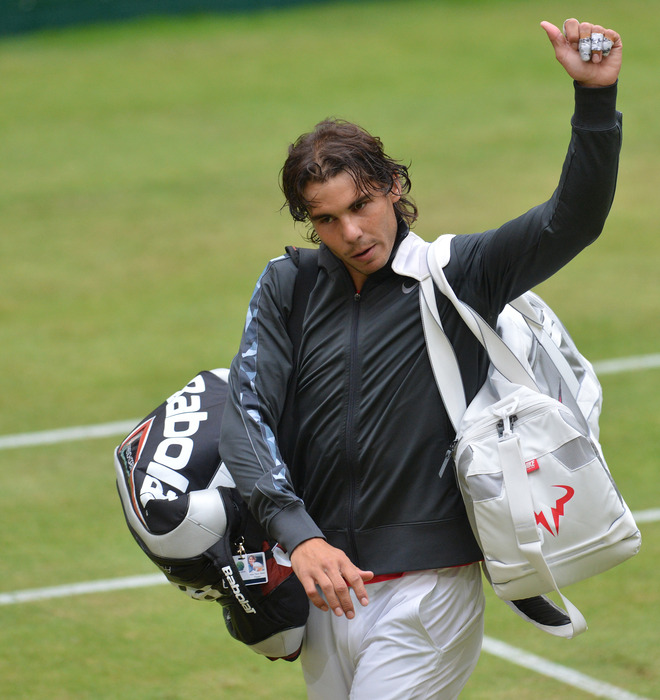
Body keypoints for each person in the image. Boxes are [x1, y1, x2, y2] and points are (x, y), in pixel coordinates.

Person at [219, 18, 623, 699]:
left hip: (427, 594)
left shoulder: (458, 274)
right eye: (325, 219)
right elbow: (245, 414)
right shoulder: (287, 285)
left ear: (394, 186)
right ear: (307, 222)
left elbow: (571, 220)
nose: (351, 232)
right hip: (326, 590)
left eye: (362, 205)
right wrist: (299, 536)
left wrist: (595, 100)